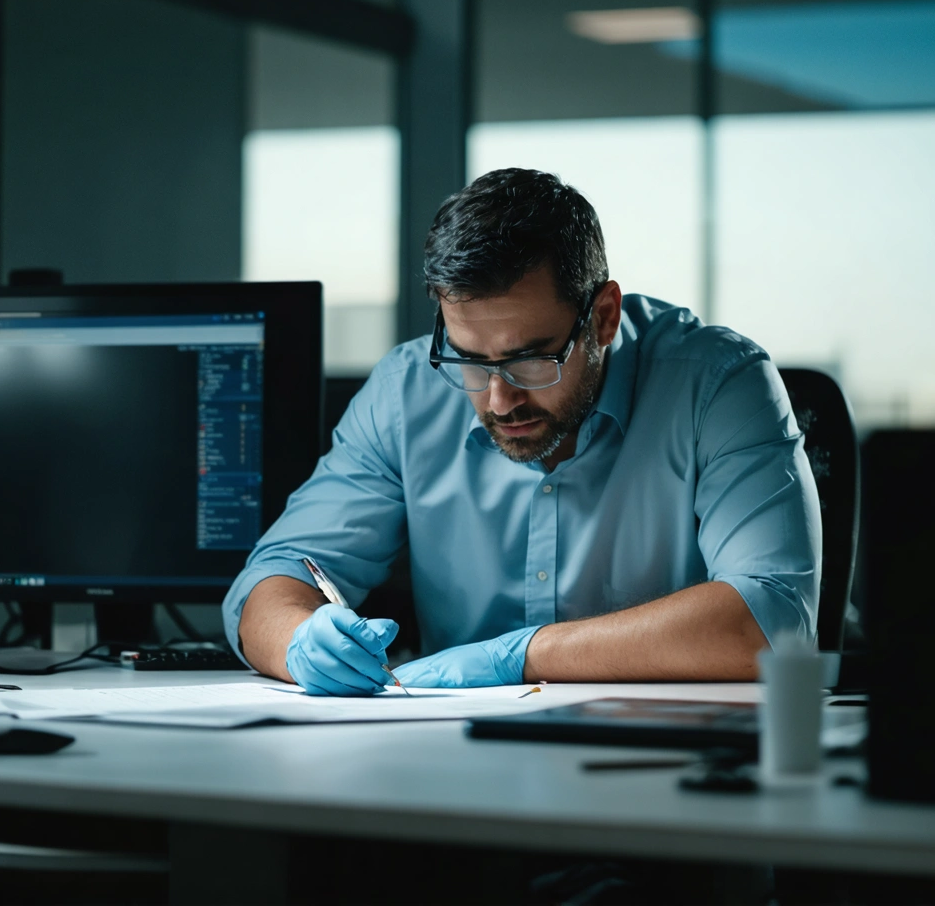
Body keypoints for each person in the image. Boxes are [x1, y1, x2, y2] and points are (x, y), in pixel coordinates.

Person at [224, 168, 820, 695]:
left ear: (604, 317)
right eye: (469, 360)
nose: (500, 399)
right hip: (447, 760)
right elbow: (269, 581)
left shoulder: (717, 383)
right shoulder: (406, 390)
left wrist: (518, 656)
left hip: (658, 766)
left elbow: (772, 619)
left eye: (532, 360)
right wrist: (302, 639)